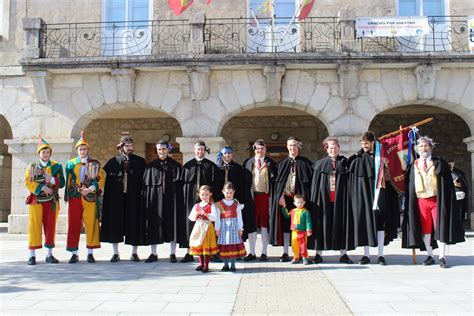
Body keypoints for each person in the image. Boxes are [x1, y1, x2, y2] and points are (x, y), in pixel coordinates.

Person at [402, 136, 465, 268]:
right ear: (417, 149)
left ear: (431, 147)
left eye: (426, 146)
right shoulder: (413, 165)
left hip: (436, 200)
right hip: (421, 201)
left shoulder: (439, 163)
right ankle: (430, 255)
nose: (423, 148)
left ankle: (442, 257)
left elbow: (446, 183)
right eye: (421, 146)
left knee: (440, 228)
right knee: (426, 230)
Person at [348, 131, 398, 265]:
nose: (364, 146)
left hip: (380, 195)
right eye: (362, 143)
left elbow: (389, 176)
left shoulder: (382, 157)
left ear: (372, 143)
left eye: (366, 143)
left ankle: (381, 255)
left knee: (380, 224)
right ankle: (366, 255)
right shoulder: (358, 159)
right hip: (365, 197)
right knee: (367, 224)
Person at [100, 132, 146, 262]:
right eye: (127, 146)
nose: (130, 148)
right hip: (116, 199)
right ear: (121, 146)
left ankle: (134, 253)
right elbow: (108, 184)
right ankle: (115, 253)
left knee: (134, 224)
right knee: (115, 225)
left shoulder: (140, 161)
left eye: (131, 145)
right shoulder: (113, 162)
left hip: (134, 199)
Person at [310, 137, 354, 264]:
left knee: (342, 225)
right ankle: (318, 253)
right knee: (320, 226)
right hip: (324, 201)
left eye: (335, 147)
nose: (333, 149)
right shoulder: (320, 164)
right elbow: (315, 186)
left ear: (339, 148)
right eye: (331, 147)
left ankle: (343, 254)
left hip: (341, 200)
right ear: (326, 149)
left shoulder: (345, 163)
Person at [270, 137, 314, 262]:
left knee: (301, 228)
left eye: (294, 145)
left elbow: (309, 184)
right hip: (287, 200)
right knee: (286, 227)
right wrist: (280, 197)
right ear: (287, 147)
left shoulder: (306, 163)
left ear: (298, 147)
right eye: (290, 145)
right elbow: (278, 184)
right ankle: (285, 252)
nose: (292, 148)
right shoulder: (282, 164)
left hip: (300, 202)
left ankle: (302, 253)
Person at [65, 131, 105, 264]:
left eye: (84, 149)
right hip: (75, 197)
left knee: (91, 223)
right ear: (77, 150)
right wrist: (75, 191)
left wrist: (90, 189)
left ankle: (90, 253)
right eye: (80, 149)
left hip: (90, 197)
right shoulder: (70, 164)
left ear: (88, 149)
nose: (82, 151)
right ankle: (74, 253)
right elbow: (68, 181)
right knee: (74, 224)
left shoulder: (95, 163)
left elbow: (100, 179)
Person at [141, 140, 184, 263]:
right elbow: (146, 187)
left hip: (171, 201)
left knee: (172, 226)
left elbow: (180, 186)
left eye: (164, 149)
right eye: (159, 149)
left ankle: (172, 253)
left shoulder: (175, 165)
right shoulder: (150, 167)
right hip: (155, 202)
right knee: (154, 225)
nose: (161, 151)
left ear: (168, 149)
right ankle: (153, 253)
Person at [25, 137, 65, 265]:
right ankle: (32, 255)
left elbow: (62, 183)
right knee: (34, 227)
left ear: (50, 153)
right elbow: (28, 182)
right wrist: (42, 187)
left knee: (50, 227)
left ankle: (49, 254)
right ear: (39, 153)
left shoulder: (57, 167)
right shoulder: (31, 167)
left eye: (47, 152)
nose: (45, 154)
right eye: (43, 152)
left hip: (51, 202)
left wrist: (52, 179)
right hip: (36, 201)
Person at [180, 141, 221, 263]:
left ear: (205, 150)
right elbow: (183, 185)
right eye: (198, 149)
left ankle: (211, 252)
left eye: (202, 149)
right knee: (190, 226)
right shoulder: (188, 166)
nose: (200, 152)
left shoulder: (211, 166)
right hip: (191, 200)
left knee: (209, 226)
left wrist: (213, 199)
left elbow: (216, 185)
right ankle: (189, 252)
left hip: (207, 201)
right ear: (194, 150)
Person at [242, 139, 276, 261]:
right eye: (257, 148)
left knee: (264, 225)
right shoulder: (247, 162)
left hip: (266, 197)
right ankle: (251, 252)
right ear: (254, 149)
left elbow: (275, 181)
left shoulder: (271, 163)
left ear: (265, 150)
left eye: (262, 148)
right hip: (251, 197)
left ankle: (264, 252)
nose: (259, 151)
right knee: (251, 225)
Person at [215, 182, 247, 271]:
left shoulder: (236, 204)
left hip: (233, 227)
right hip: (224, 228)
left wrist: (240, 228)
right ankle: (225, 265)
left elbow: (239, 217)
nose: (229, 195)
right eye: (227, 193)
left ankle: (233, 265)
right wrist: (217, 228)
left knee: (233, 246)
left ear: (234, 192)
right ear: (223, 192)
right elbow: (218, 218)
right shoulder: (220, 204)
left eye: (231, 193)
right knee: (225, 247)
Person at [188, 185, 219, 273]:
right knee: (199, 245)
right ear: (199, 195)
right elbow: (191, 218)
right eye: (202, 195)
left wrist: (206, 214)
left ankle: (206, 265)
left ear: (210, 195)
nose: (204, 197)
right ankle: (201, 263)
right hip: (198, 226)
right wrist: (196, 215)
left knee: (206, 246)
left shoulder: (211, 205)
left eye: (206, 194)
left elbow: (215, 217)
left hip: (207, 226)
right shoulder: (197, 205)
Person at [280, 194, 313, 265]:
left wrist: (309, 230)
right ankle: (296, 257)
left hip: (302, 232)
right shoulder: (293, 211)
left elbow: (308, 222)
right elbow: (287, 215)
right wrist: (284, 207)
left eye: (301, 202)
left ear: (304, 202)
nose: (300, 204)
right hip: (294, 232)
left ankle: (305, 258)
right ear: (294, 203)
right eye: (298, 202)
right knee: (294, 245)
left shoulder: (306, 212)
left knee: (303, 246)